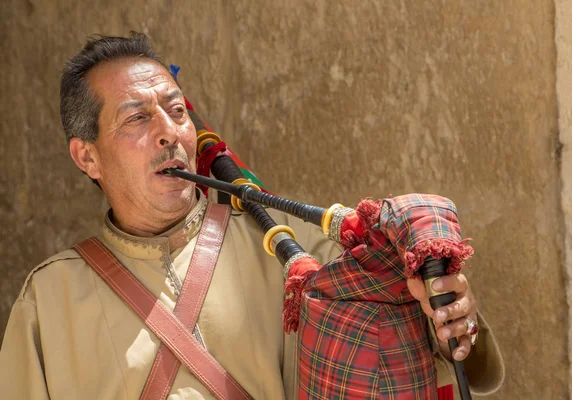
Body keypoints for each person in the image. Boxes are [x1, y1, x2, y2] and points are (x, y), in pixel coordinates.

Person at [0, 32, 503, 399]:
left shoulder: (297, 250)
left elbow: (456, 370)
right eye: (136, 117)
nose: (169, 133)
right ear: (86, 157)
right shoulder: (48, 300)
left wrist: (450, 316)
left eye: (177, 112)